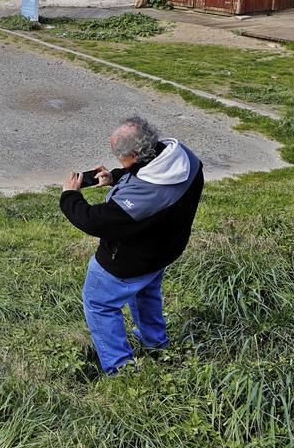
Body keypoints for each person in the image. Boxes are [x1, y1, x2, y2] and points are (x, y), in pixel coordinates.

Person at [59, 115, 204, 375]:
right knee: (146, 291)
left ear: (135, 154)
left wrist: (70, 196)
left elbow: (98, 222)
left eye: (120, 158)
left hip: (126, 263)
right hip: (162, 252)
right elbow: (148, 174)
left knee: (100, 304)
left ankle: (121, 370)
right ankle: (155, 344)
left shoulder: (145, 196)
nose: (119, 162)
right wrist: (115, 177)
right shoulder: (183, 158)